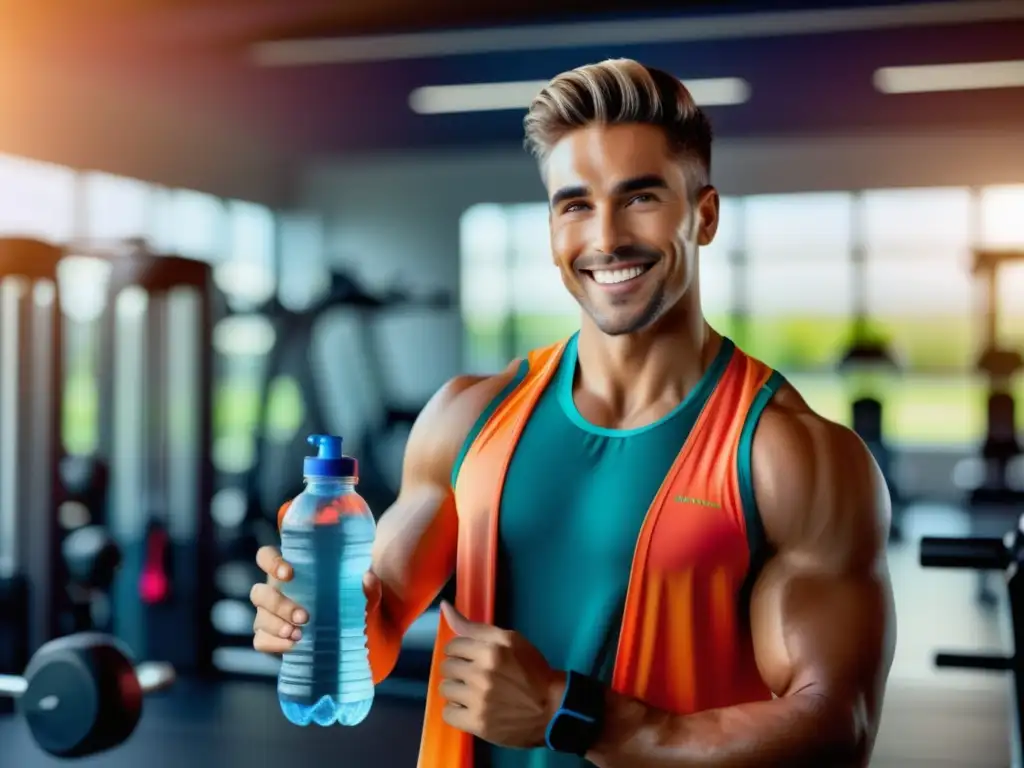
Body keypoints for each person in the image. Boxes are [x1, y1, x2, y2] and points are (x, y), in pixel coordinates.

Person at [250, 58, 896, 768]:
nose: (606, 237)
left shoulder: (791, 456)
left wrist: (578, 716)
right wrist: (308, 621)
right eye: (575, 204)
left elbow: (838, 727)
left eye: (640, 197)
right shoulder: (466, 418)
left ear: (703, 215)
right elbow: (372, 636)